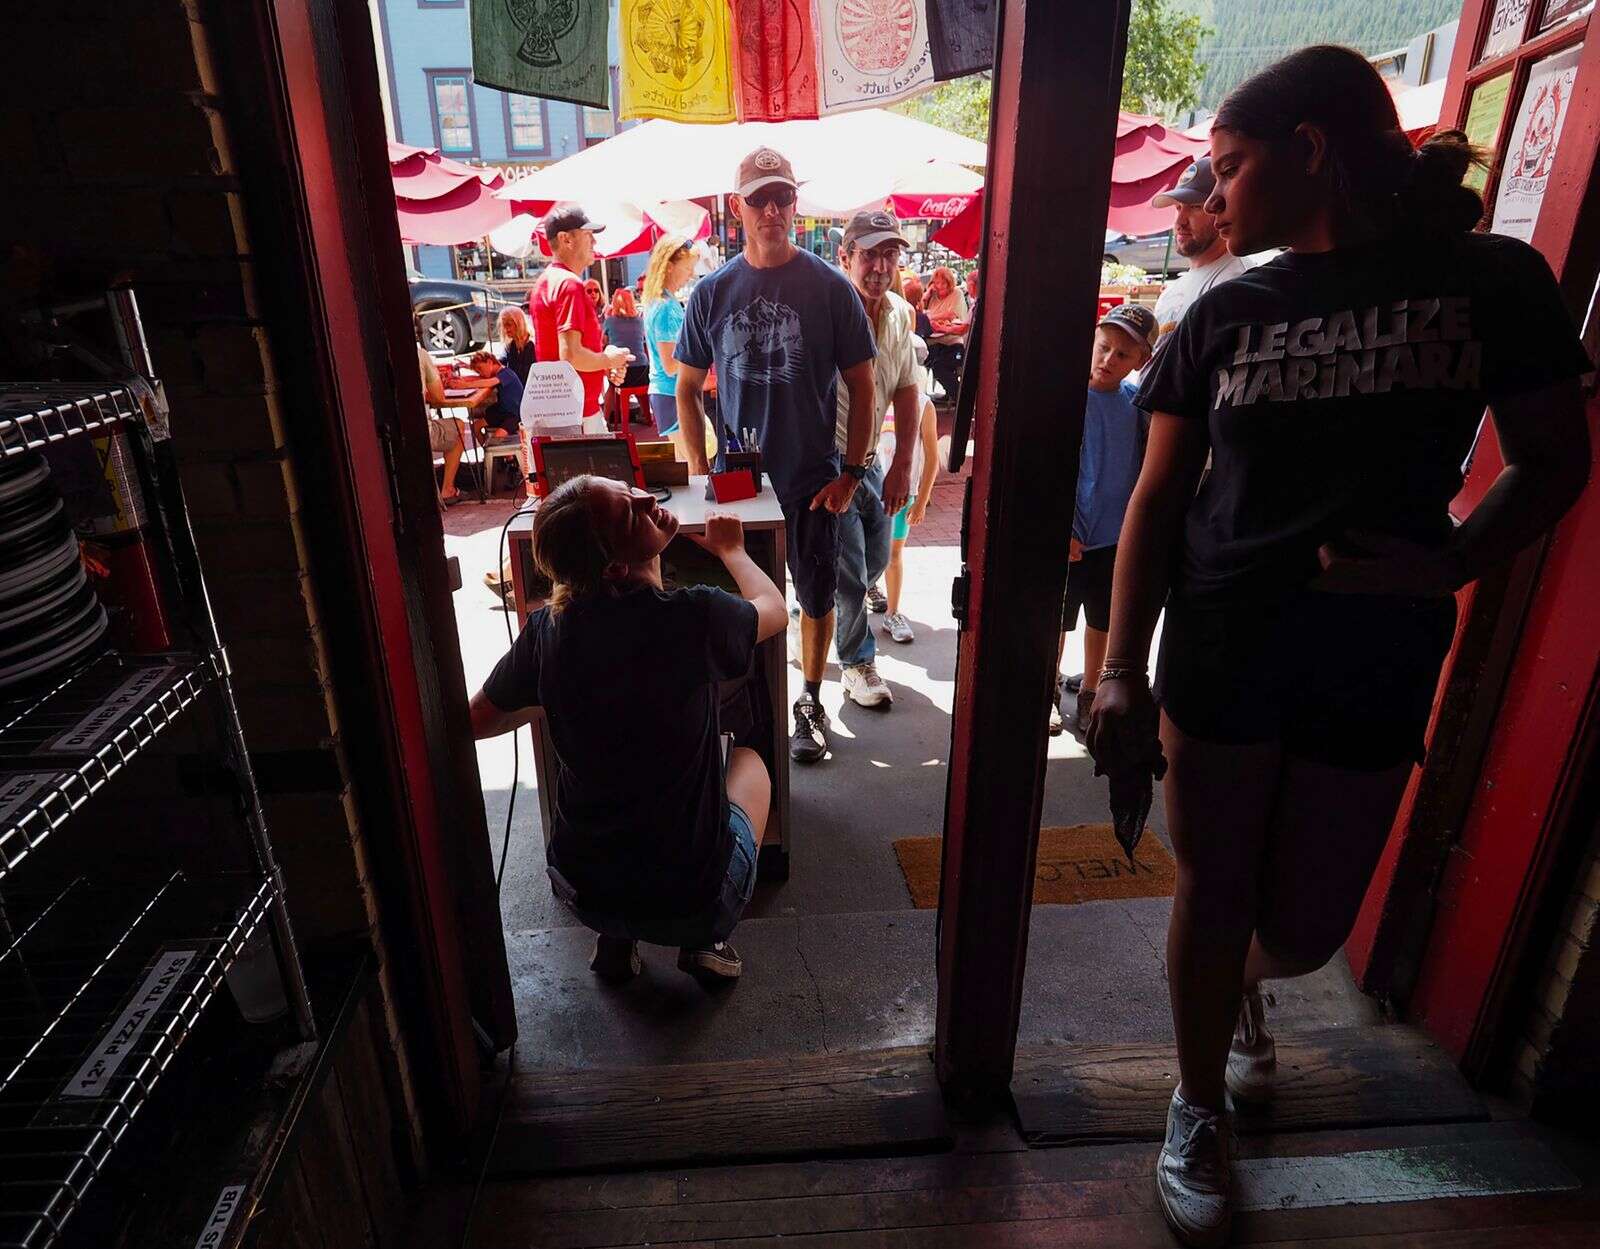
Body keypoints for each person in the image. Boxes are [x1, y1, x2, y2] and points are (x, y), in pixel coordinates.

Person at [1085, 46, 1591, 1248]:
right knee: (1212, 888)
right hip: (1220, 636)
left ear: (1310, 149)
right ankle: (1195, 1097)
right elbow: (1158, 500)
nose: (1215, 196)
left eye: (1230, 167)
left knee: (1307, 926)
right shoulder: (1225, 307)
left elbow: (1554, 457)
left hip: (1376, 641)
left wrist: (1452, 561)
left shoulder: (1490, 282)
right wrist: (1115, 665)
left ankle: (1241, 994)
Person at [469, 478, 786, 981]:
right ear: (616, 565)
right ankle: (706, 938)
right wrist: (732, 551)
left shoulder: (549, 629)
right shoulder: (694, 616)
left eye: (629, 489)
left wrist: (559, 698)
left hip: (584, 889)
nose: (647, 499)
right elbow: (773, 610)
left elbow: (481, 715)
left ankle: (616, 939)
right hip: (691, 900)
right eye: (629, 512)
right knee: (749, 764)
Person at [674, 146, 878, 765]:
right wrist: (699, 468)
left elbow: (864, 384)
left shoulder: (829, 287)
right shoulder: (712, 292)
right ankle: (751, 707)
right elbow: (686, 386)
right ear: (738, 207)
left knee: (816, 598)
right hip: (742, 484)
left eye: (781, 196)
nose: (770, 209)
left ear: (795, 203)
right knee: (744, 605)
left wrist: (852, 473)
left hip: (814, 477)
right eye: (758, 198)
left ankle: (810, 700)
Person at [827, 210, 922, 709]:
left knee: (877, 559)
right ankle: (857, 662)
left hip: (871, 460)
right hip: (830, 464)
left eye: (889, 254)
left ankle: (819, 609)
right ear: (846, 258)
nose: (880, 266)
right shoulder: (826, 310)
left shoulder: (899, 314)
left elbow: (908, 390)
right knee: (852, 568)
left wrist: (903, 462)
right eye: (869, 254)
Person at [1054, 304, 1156, 736]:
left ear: (1140, 362)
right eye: (1104, 348)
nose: (1108, 360)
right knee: (1058, 620)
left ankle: (1091, 689)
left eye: (1122, 355)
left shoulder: (1136, 405)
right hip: (1072, 539)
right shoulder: (1068, 399)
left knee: (1102, 620)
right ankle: (1048, 689)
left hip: (1114, 540)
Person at [529, 204, 634, 434]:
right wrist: (608, 360)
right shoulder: (569, 284)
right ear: (566, 239)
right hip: (578, 416)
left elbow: (562, 352)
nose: (594, 243)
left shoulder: (546, 281)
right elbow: (571, 356)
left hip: (561, 412)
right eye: (588, 235)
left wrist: (605, 362)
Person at [1150, 157, 1253, 345]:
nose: (1180, 221)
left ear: (1221, 208)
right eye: (1178, 207)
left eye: (1195, 207)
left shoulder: (1237, 281)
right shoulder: (1172, 291)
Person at [641, 232, 719, 460]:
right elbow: (671, 364)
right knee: (695, 466)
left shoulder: (658, 301)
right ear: (670, 267)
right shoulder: (667, 307)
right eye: (688, 268)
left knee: (690, 463)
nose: (691, 274)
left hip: (666, 394)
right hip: (673, 395)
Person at [878, 387, 939, 645]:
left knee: (893, 555)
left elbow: (933, 456)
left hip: (903, 494)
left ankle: (892, 613)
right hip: (868, 491)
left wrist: (922, 500)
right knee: (860, 558)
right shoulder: (873, 395)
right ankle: (854, 615)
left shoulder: (923, 404)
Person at [417, 343, 465, 506]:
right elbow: (439, 397)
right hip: (424, 429)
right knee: (458, 426)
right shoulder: (420, 354)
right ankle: (447, 489)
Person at [461, 350, 524, 454]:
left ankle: (508, 459)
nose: (480, 373)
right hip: (503, 411)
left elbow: (489, 382)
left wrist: (464, 385)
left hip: (514, 415)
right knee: (476, 426)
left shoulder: (506, 373)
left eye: (480, 369)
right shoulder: (496, 373)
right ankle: (488, 454)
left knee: (498, 437)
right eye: (478, 371)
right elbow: (478, 378)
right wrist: (462, 379)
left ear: (490, 362)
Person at [922, 266, 968, 402]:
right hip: (933, 342)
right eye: (936, 283)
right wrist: (927, 294)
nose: (939, 286)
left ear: (949, 283)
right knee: (916, 359)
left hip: (952, 342)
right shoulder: (932, 297)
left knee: (940, 367)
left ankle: (961, 398)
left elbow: (951, 315)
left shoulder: (957, 294)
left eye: (943, 283)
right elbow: (920, 313)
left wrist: (930, 317)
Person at [603, 288, 651, 392]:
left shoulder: (610, 321)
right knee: (642, 395)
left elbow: (604, 342)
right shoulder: (639, 321)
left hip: (622, 371)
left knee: (611, 385)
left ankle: (610, 408)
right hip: (642, 370)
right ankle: (645, 408)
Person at [498, 306, 536, 383]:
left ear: (519, 323)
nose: (505, 329)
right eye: (503, 325)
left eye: (509, 324)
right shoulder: (510, 345)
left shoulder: (532, 344)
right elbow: (500, 363)